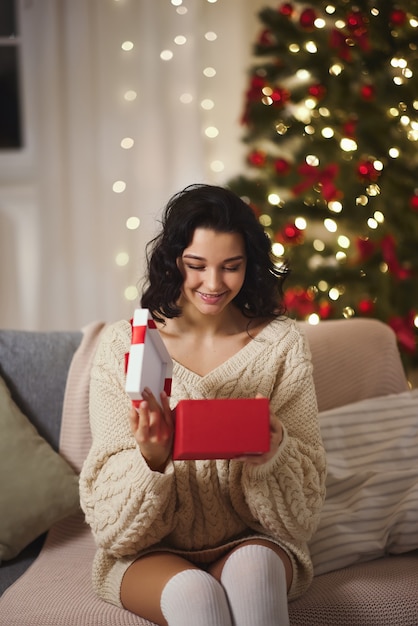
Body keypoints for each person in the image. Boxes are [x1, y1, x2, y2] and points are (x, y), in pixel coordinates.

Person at [79, 183, 327, 626]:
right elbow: (111, 528)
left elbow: (302, 517)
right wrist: (151, 459)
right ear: (173, 262)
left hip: (252, 539)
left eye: (231, 267)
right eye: (197, 266)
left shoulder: (281, 344)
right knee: (198, 597)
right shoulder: (124, 345)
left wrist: (274, 452)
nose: (213, 285)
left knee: (254, 577)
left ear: (249, 265)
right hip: (150, 550)